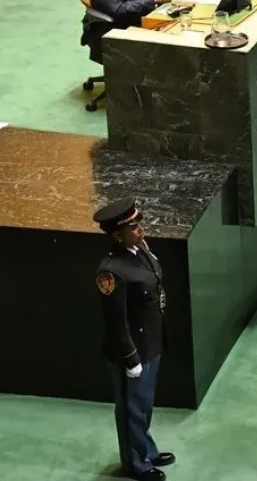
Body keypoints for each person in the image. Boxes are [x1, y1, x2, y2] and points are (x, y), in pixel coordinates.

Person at [93, 198, 174, 481]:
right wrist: (129, 357)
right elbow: (115, 320)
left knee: (143, 405)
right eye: (134, 227)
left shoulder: (140, 252)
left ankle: (147, 451)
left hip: (151, 343)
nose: (141, 229)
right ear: (117, 234)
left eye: (139, 223)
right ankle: (135, 464)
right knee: (131, 410)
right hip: (133, 351)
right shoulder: (111, 271)